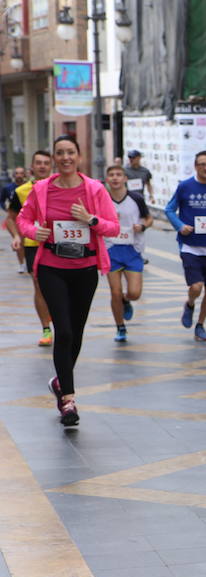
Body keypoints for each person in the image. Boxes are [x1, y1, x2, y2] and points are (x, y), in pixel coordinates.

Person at [14, 135, 119, 426]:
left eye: (70, 152)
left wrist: (91, 219)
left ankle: (60, 381)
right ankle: (68, 400)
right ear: (55, 159)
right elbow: (23, 220)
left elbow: (113, 227)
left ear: (79, 156)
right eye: (60, 153)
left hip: (85, 269)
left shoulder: (95, 190)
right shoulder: (42, 189)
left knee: (78, 331)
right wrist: (35, 233)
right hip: (51, 266)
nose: (65, 158)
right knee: (65, 331)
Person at [165, 150, 206, 342]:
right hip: (190, 246)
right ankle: (190, 303)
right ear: (195, 166)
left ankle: (200, 324)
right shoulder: (185, 186)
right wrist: (180, 226)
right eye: (202, 164)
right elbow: (169, 209)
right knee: (196, 286)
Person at [7, 151, 55, 346]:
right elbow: (11, 218)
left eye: (46, 163)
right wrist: (17, 235)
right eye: (38, 163)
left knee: (59, 287)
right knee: (38, 285)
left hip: (57, 243)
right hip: (33, 244)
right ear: (32, 168)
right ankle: (46, 329)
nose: (42, 166)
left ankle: (58, 318)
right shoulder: (21, 191)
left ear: (51, 166)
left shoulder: (60, 186)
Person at [103, 165, 153, 343]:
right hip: (110, 250)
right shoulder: (102, 199)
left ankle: (126, 300)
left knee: (134, 293)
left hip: (132, 250)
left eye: (118, 175)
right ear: (107, 179)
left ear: (125, 178)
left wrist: (143, 226)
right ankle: (120, 327)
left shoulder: (136, 198)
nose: (115, 178)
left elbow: (149, 218)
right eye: (111, 175)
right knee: (114, 292)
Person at [3, 166, 29, 273]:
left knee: (28, 244)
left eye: (21, 173)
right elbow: (1, 200)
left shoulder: (29, 187)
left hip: (28, 219)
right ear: (14, 175)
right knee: (20, 242)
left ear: (24, 175)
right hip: (15, 219)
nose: (19, 175)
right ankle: (22, 264)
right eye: (17, 173)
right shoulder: (8, 188)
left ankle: (28, 262)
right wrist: (5, 208)